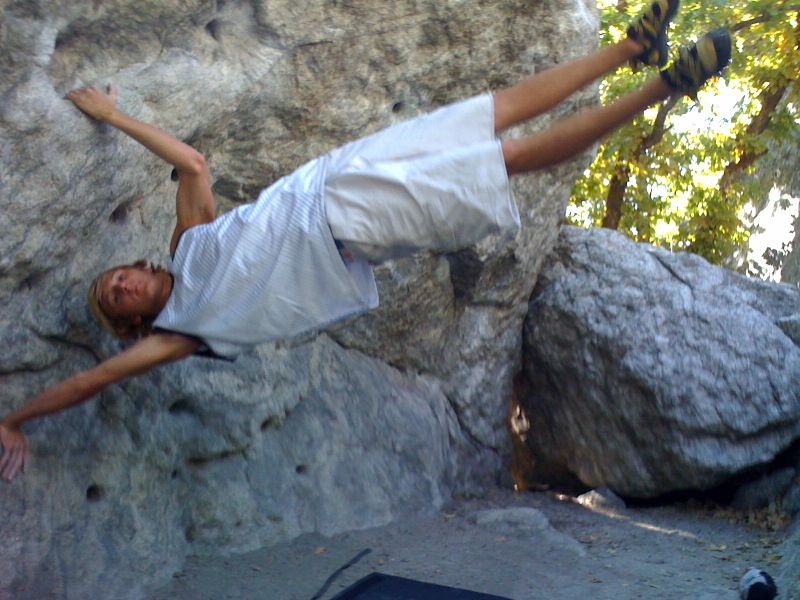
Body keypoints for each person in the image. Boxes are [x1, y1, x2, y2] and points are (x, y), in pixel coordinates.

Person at [0, 0, 732, 481]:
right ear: (134, 324)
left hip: (336, 174)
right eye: (114, 303)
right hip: (345, 228)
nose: (119, 287)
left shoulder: (191, 240)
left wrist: (110, 111)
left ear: (133, 266)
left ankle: (630, 48)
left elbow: (190, 161)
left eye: (113, 279)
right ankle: (660, 89)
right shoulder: (183, 332)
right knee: (506, 159)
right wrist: (15, 418)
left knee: (490, 115)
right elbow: (90, 380)